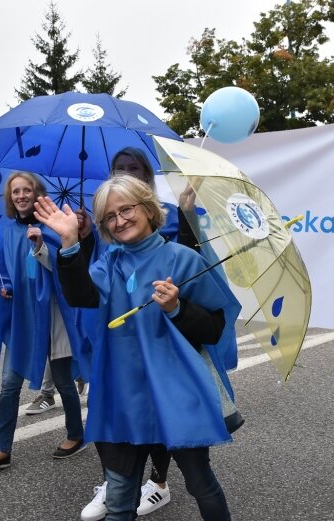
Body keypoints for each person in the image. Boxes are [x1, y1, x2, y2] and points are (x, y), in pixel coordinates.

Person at [36, 175, 239, 521]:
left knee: (201, 484)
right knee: (118, 499)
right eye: (110, 216)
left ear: (147, 208)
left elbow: (215, 326)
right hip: (122, 397)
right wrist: (69, 242)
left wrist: (178, 308)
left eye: (126, 209)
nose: (119, 221)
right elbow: (81, 296)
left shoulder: (183, 260)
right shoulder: (108, 264)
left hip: (176, 392)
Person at [0, 171, 85, 471]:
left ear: (37, 193)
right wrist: (4, 289)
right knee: (10, 384)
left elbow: (66, 266)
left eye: (26, 190)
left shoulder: (51, 225)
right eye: (15, 192)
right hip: (21, 318)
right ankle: (2, 448)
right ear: (10, 198)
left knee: (63, 381)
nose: (21, 196)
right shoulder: (4, 229)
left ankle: (76, 434)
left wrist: (40, 246)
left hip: (52, 315)